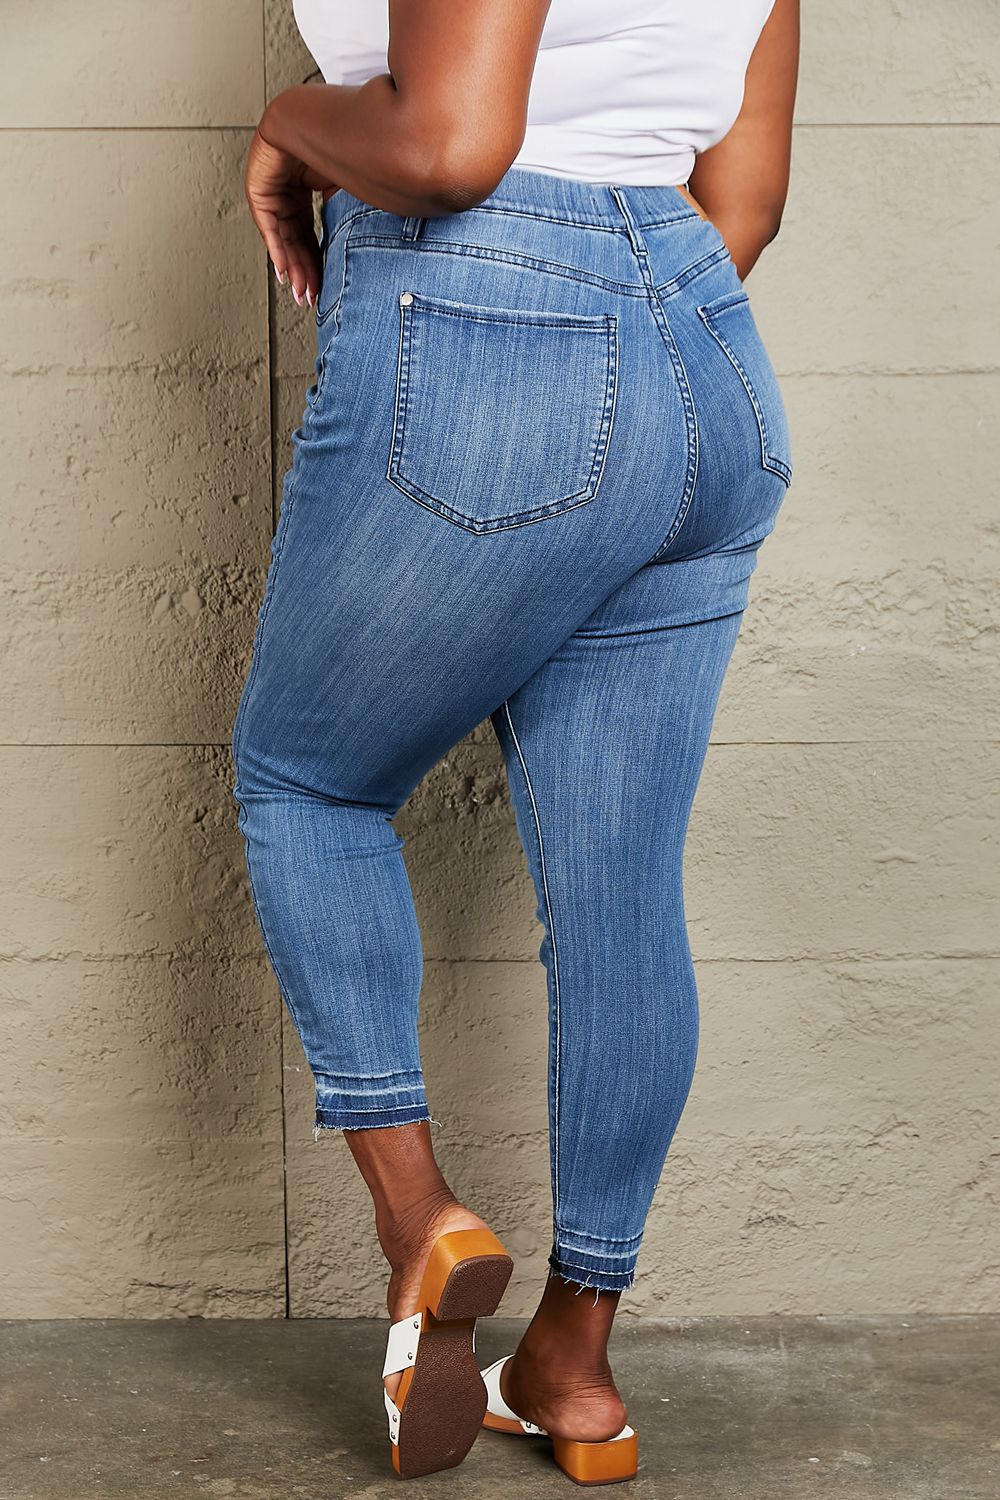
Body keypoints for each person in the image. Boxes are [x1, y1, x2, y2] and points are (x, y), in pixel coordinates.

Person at [233, 0, 799, 1483]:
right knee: (619, 895)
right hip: (707, 359)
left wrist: (292, 119)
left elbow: (446, 145)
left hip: (489, 308)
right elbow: (745, 200)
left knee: (307, 782)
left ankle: (423, 1220)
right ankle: (575, 1366)